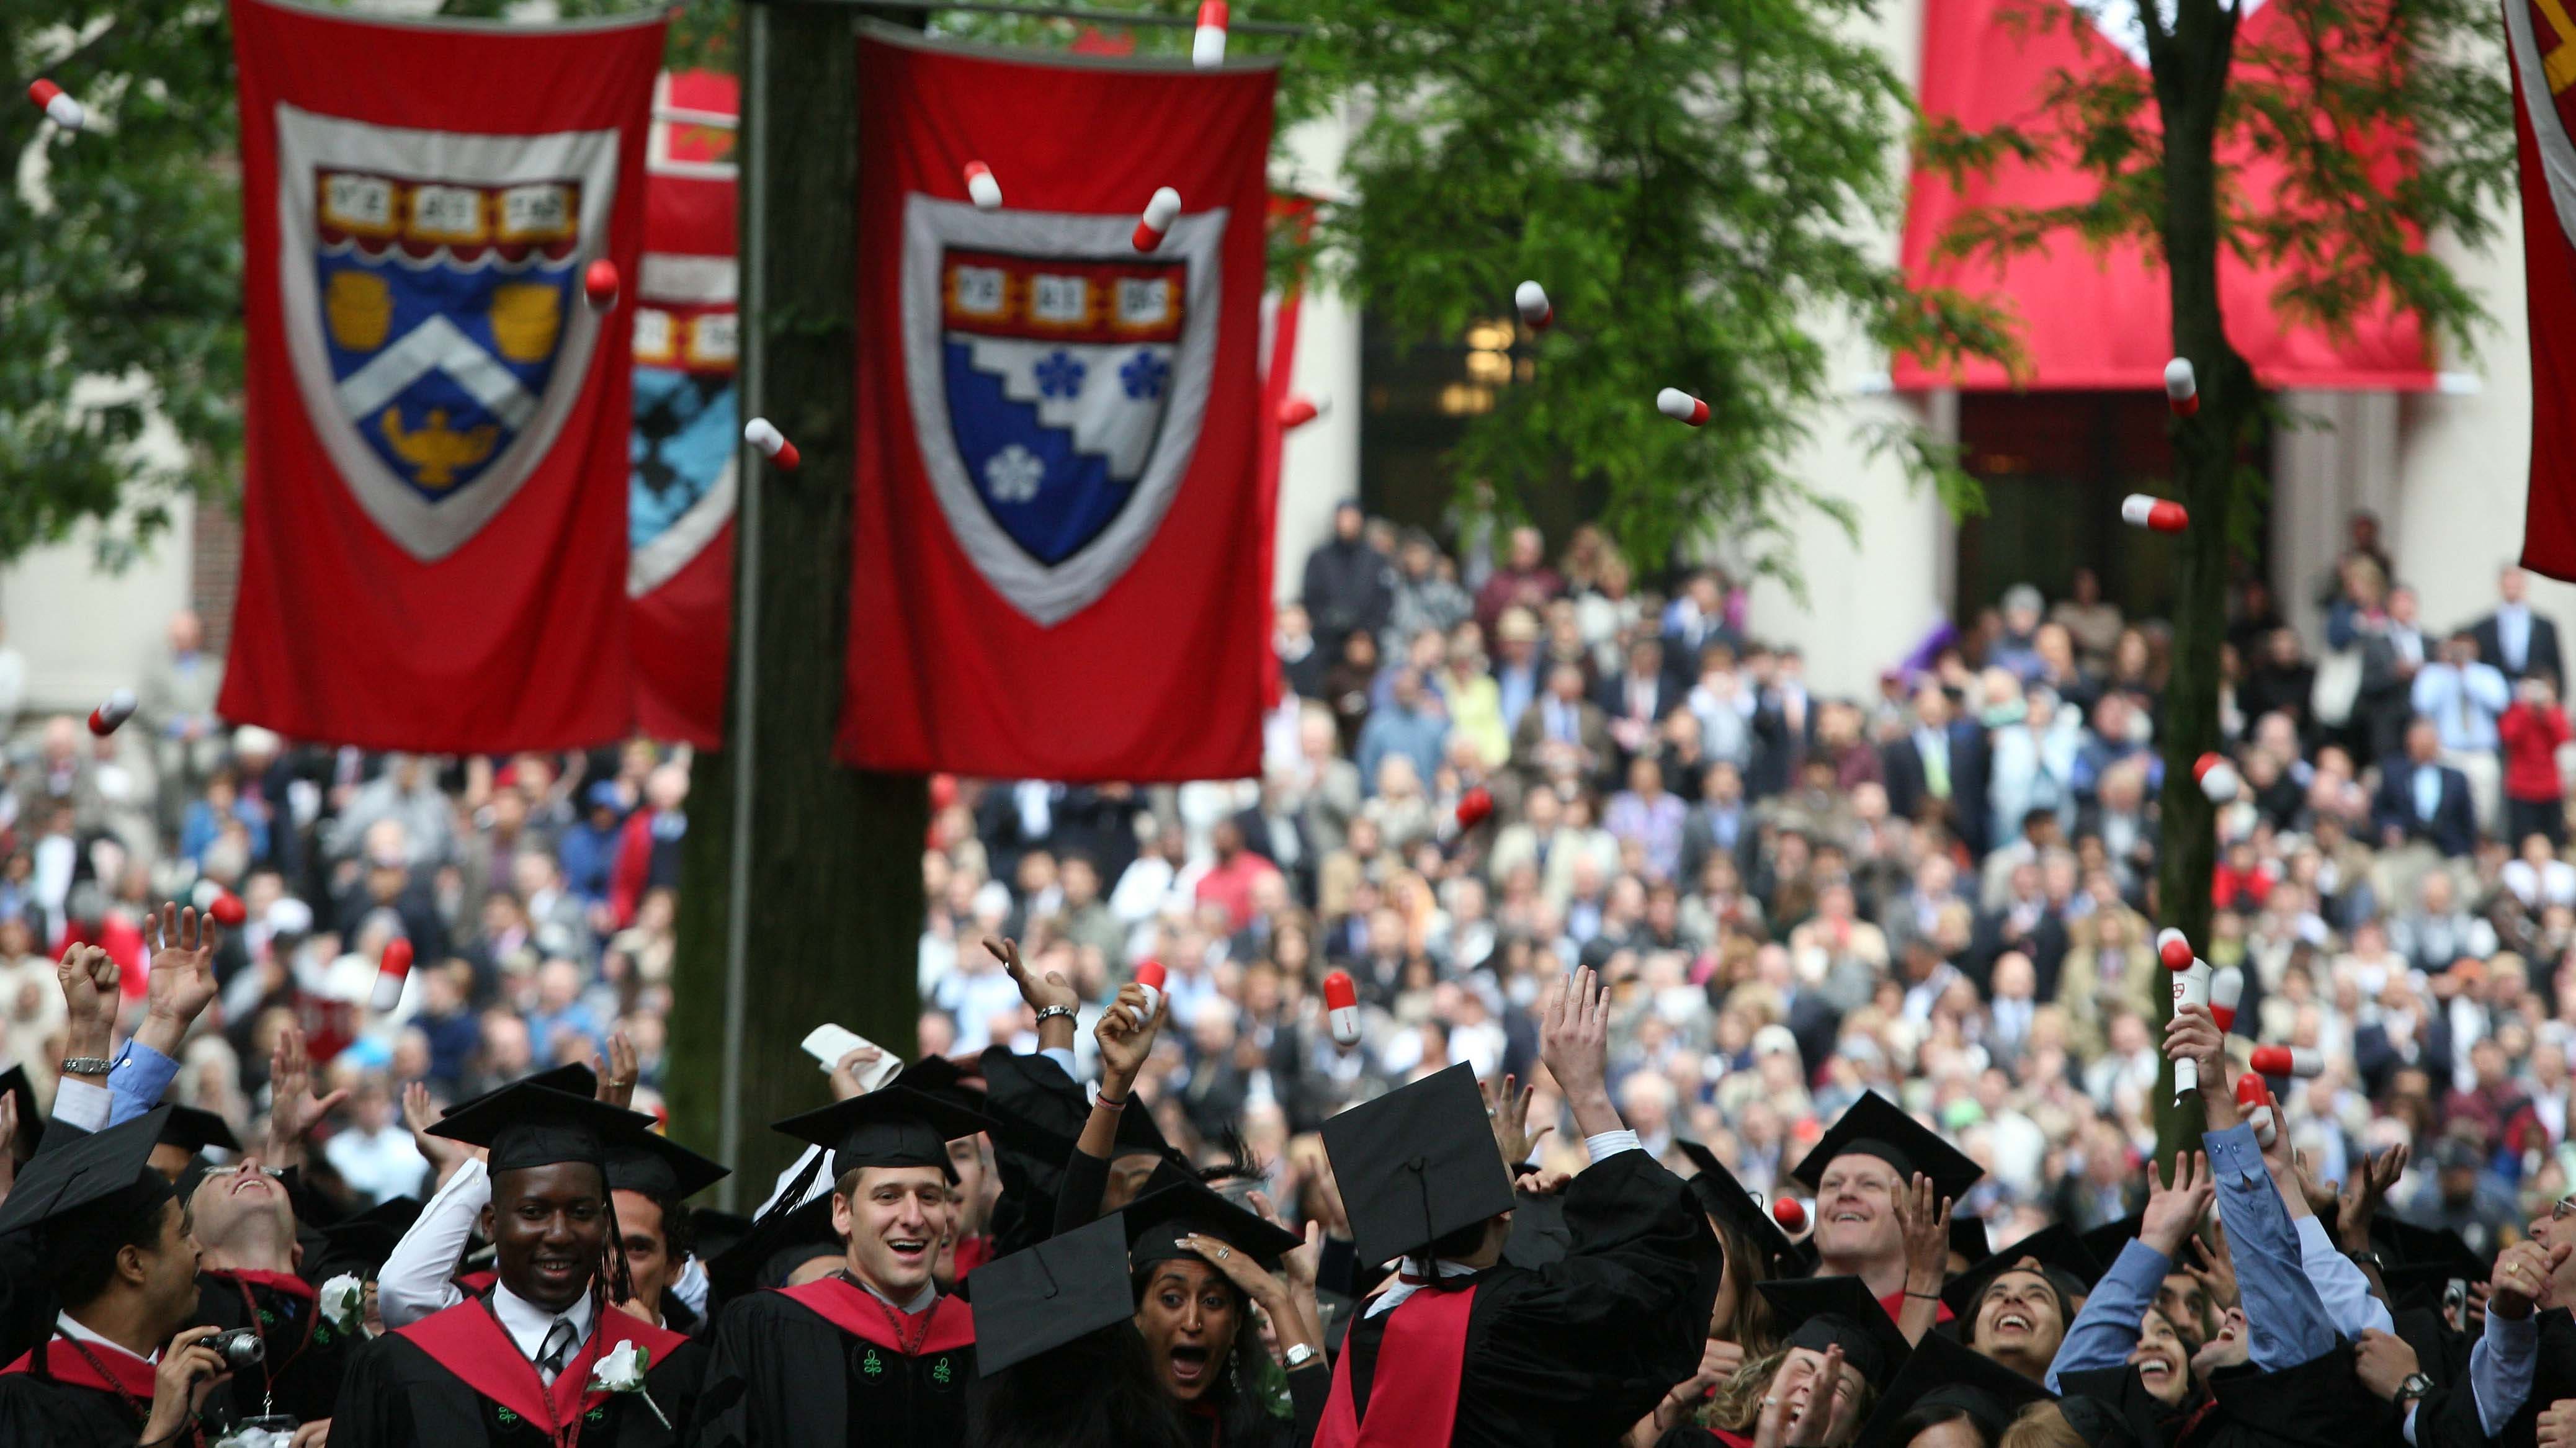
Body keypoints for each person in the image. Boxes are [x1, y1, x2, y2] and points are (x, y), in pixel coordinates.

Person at [1313, 967, 1721, 1445]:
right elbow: (1658, 1275)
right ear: (1506, 1211)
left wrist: (1495, 1174)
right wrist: (1588, 1094)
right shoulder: (1520, 1322)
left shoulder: (1375, 1327)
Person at [326, 1081, 707, 1447]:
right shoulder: (406, 1365)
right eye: (533, 1212)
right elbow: (403, 1289)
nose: (559, 1234)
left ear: (604, 1225)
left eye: (580, 1212)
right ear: (491, 1223)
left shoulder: (674, 1369)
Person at [691, 1066, 989, 1447]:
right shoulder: (768, 1328)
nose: (913, 1217)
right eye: (888, 1196)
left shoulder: (983, 1338)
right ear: (842, 1213)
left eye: (929, 1196)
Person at [0, 1107, 242, 1448]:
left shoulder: (194, 1382)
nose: (198, 1250)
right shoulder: (26, 1402)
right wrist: (159, 1437)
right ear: (133, 1263)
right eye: (183, 1234)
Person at [1784, 1092, 1982, 1335]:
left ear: (1913, 1222)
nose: (1845, 1192)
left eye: (1869, 1184)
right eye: (1832, 1184)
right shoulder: (1768, 1318)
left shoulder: (1951, 1334)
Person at [2471, 564, 2562, 684]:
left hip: (2535, 693)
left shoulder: (2545, 627)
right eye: (2509, 581)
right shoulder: (2482, 628)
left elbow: (2555, 666)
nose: (2513, 585)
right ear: (2500, 584)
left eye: (2517, 580)